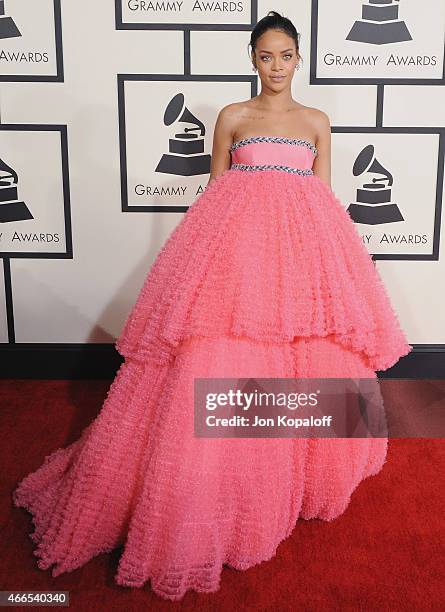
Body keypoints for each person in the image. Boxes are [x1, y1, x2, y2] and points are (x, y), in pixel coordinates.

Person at [13, 10, 412, 603]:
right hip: (235, 255)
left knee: (309, 359)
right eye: (265, 56)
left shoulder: (316, 122)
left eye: (285, 55)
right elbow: (215, 192)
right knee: (218, 355)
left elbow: (323, 200)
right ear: (252, 59)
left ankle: (299, 476)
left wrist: (327, 271)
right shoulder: (232, 117)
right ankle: (219, 484)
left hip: (300, 254)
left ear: (299, 59)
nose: (275, 66)